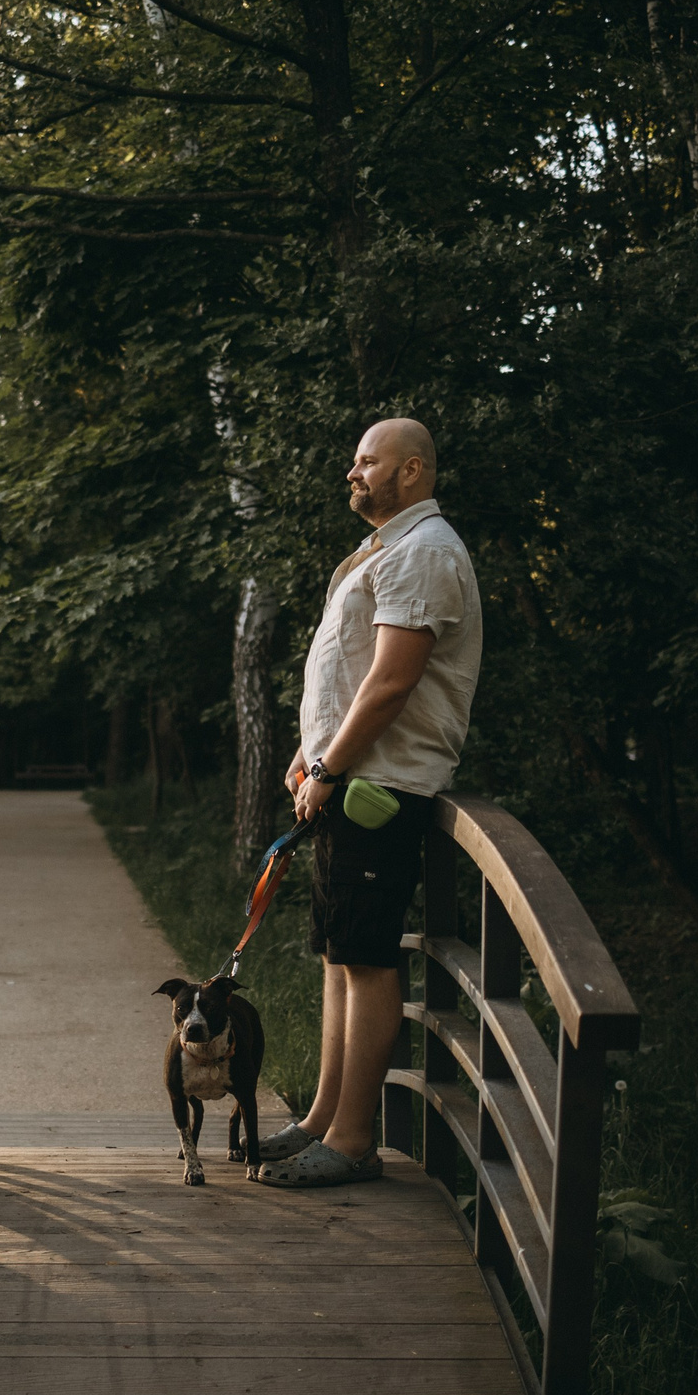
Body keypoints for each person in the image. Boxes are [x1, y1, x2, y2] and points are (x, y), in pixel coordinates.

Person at [252, 417, 480, 1188]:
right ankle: (322, 1116)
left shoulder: (425, 552)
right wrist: (312, 754)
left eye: (367, 461)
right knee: (339, 953)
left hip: (381, 786)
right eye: (354, 460)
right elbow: (352, 673)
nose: (352, 472)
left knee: (368, 958)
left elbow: (391, 682)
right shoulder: (390, 548)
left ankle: (353, 1142)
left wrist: (330, 766)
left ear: (412, 470)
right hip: (351, 778)